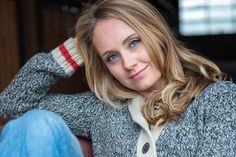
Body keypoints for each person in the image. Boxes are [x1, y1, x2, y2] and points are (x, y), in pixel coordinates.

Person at [0, 0, 236, 156]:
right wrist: (75, 48)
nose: (129, 64)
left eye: (134, 42)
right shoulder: (100, 109)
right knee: (36, 125)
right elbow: (12, 104)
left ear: (157, 34)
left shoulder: (217, 100)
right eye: (112, 57)